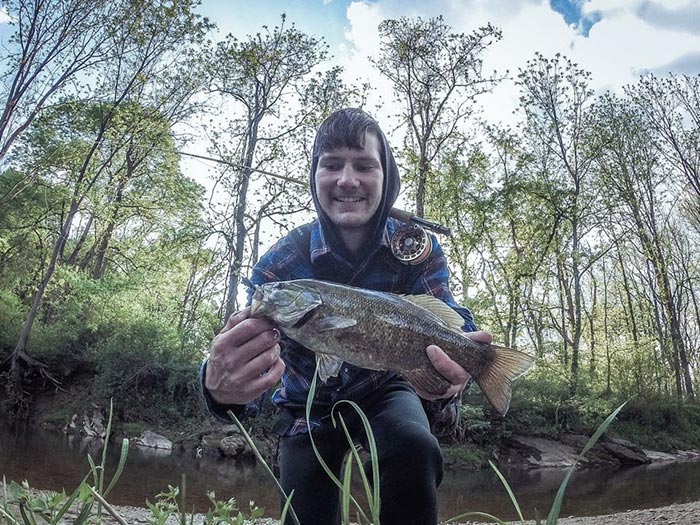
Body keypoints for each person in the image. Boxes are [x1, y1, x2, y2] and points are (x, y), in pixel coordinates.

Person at [201, 108, 492, 525]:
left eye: (364, 165)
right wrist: (219, 390)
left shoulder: (416, 248)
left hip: (387, 384)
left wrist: (455, 374)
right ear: (315, 176)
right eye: (332, 164)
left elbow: (448, 319)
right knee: (306, 508)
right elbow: (249, 369)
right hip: (306, 402)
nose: (347, 179)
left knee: (413, 446)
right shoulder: (281, 263)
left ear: (385, 178)